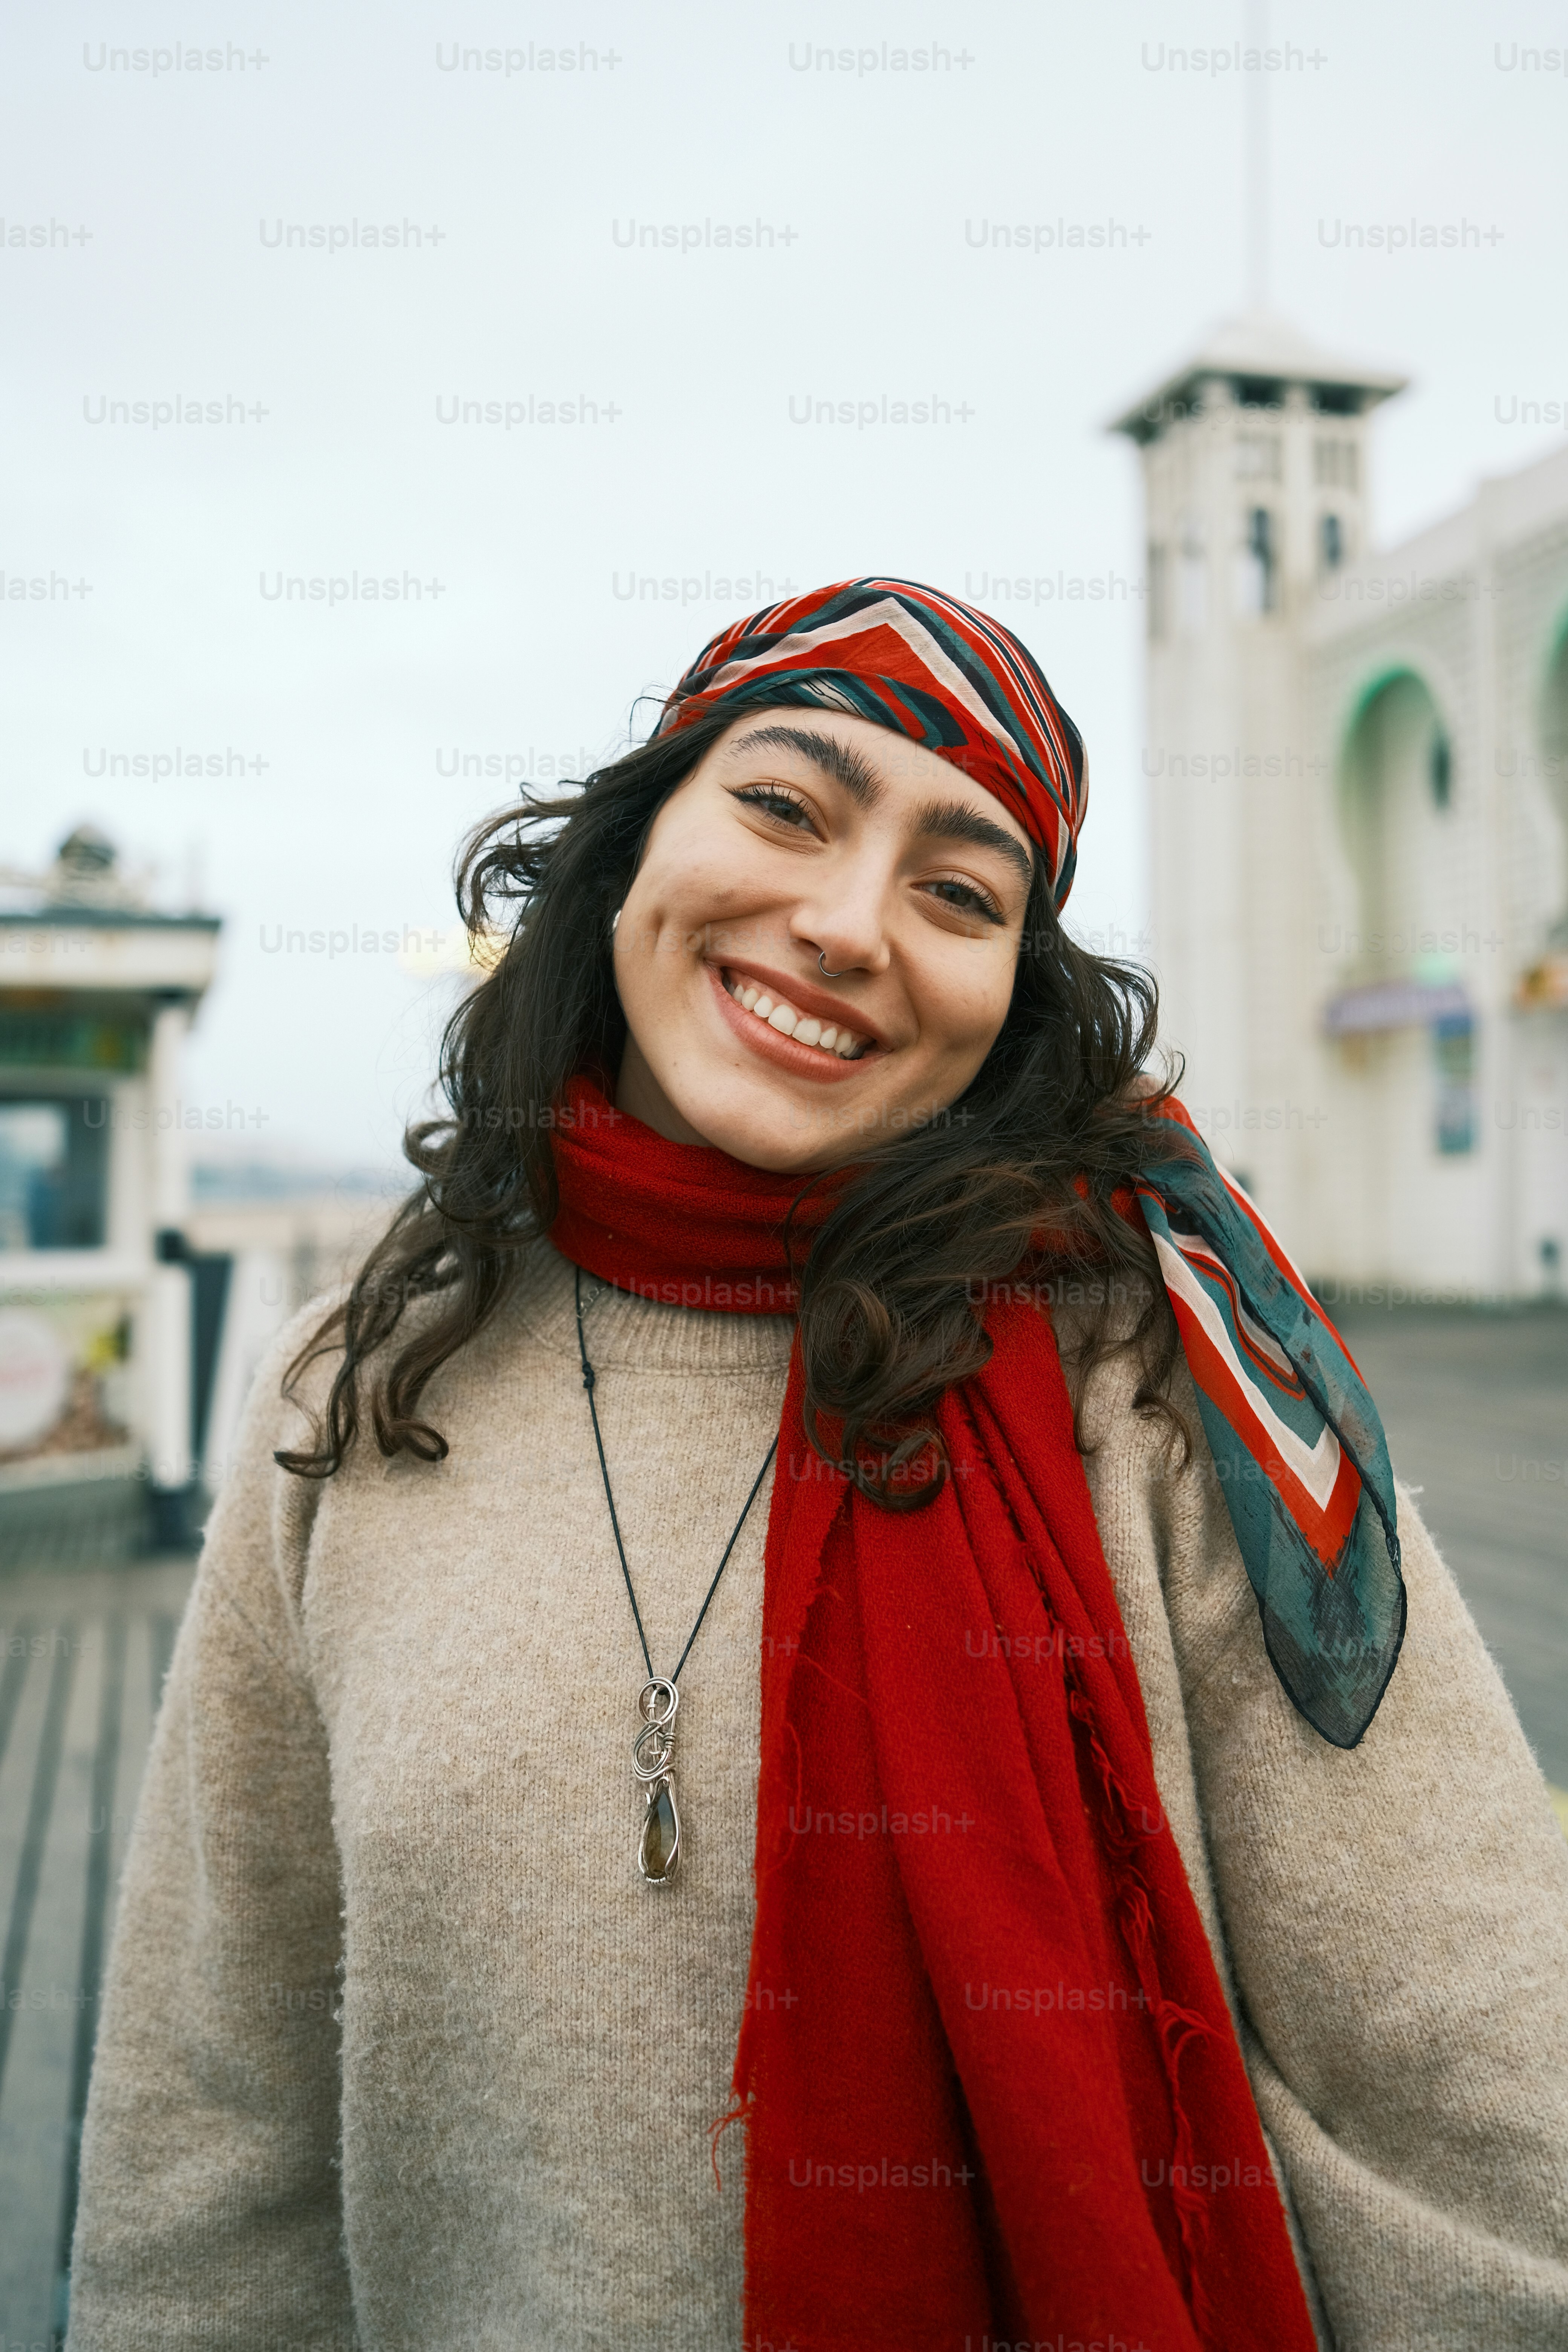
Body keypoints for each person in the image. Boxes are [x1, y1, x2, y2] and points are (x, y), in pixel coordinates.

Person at [67, 581, 1568, 2351]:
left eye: (956, 892)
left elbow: (1468, 2055)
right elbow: (213, 2122)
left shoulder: (1165, 1389)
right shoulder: (362, 1385)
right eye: (781, 807)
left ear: (1008, 999)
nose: (847, 926)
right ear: (630, 850)